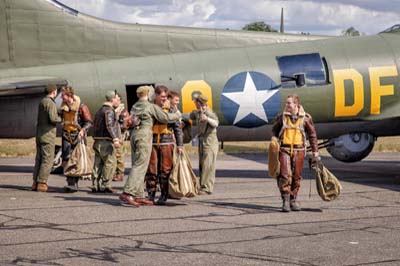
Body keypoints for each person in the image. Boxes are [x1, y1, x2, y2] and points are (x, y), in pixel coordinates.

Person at [119, 86, 181, 207]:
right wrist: (178, 115)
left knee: (137, 164)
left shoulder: (135, 106)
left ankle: (138, 195)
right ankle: (128, 193)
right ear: (148, 93)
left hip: (134, 136)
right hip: (144, 137)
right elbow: (166, 117)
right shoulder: (150, 106)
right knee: (140, 166)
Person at [272, 94, 319, 212]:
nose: (286, 105)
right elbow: (274, 130)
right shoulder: (281, 117)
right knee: (285, 175)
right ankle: (286, 200)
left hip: (300, 150)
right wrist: (273, 141)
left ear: (296, 104)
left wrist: (315, 152)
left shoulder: (306, 118)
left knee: (297, 176)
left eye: (289, 103)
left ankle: (293, 199)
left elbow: (312, 135)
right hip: (284, 150)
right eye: (286, 103)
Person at [145, 86, 183, 205]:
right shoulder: (150, 108)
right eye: (162, 97)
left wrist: (180, 145)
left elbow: (177, 128)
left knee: (165, 171)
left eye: (165, 97)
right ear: (155, 96)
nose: (164, 99)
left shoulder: (172, 109)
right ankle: (150, 194)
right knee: (151, 170)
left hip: (167, 143)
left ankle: (164, 195)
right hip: (152, 142)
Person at [59, 86, 93, 192]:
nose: (61, 97)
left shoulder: (81, 106)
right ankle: (71, 184)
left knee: (76, 159)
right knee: (67, 159)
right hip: (66, 135)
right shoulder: (62, 107)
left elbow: (89, 122)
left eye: (63, 95)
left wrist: (83, 130)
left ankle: (73, 184)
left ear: (69, 95)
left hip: (78, 135)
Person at [32, 84, 62, 192]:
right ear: (54, 92)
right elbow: (53, 119)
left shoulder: (42, 101)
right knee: (47, 160)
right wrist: (62, 119)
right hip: (48, 136)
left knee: (39, 159)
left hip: (40, 134)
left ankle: (35, 182)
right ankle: (42, 183)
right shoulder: (50, 103)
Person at [91, 90, 121, 193]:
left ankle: (95, 184)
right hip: (106, 142)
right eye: (117, 99)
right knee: (109, 163)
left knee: (97, 164)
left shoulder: (100, 110)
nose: (118, 101)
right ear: (112, 99)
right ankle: (105, 185)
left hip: (97, 141)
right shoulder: (109, 111)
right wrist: (115, 138)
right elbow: (109, 125)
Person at [190, 93, 219, 195]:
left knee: (208, 165)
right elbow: (190, 116)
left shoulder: (209, 113)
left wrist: (207, 119)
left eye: (196, 101)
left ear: (200, 102)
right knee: (202, 165)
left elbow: (216, 123)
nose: (194, 103)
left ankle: (207, 188)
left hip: (210, 143)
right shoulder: (198, 113)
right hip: (202, 142)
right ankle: (202, 186)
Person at [112, 93, 131, 182]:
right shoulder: (113, 111)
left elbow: (125, 125)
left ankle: (120, 174)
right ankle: (115, 173)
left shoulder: (123, 112)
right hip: (114, 135)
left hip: (120, 136)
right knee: (114, 155)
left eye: (116, 99)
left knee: (119, 156)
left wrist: (116, 126)